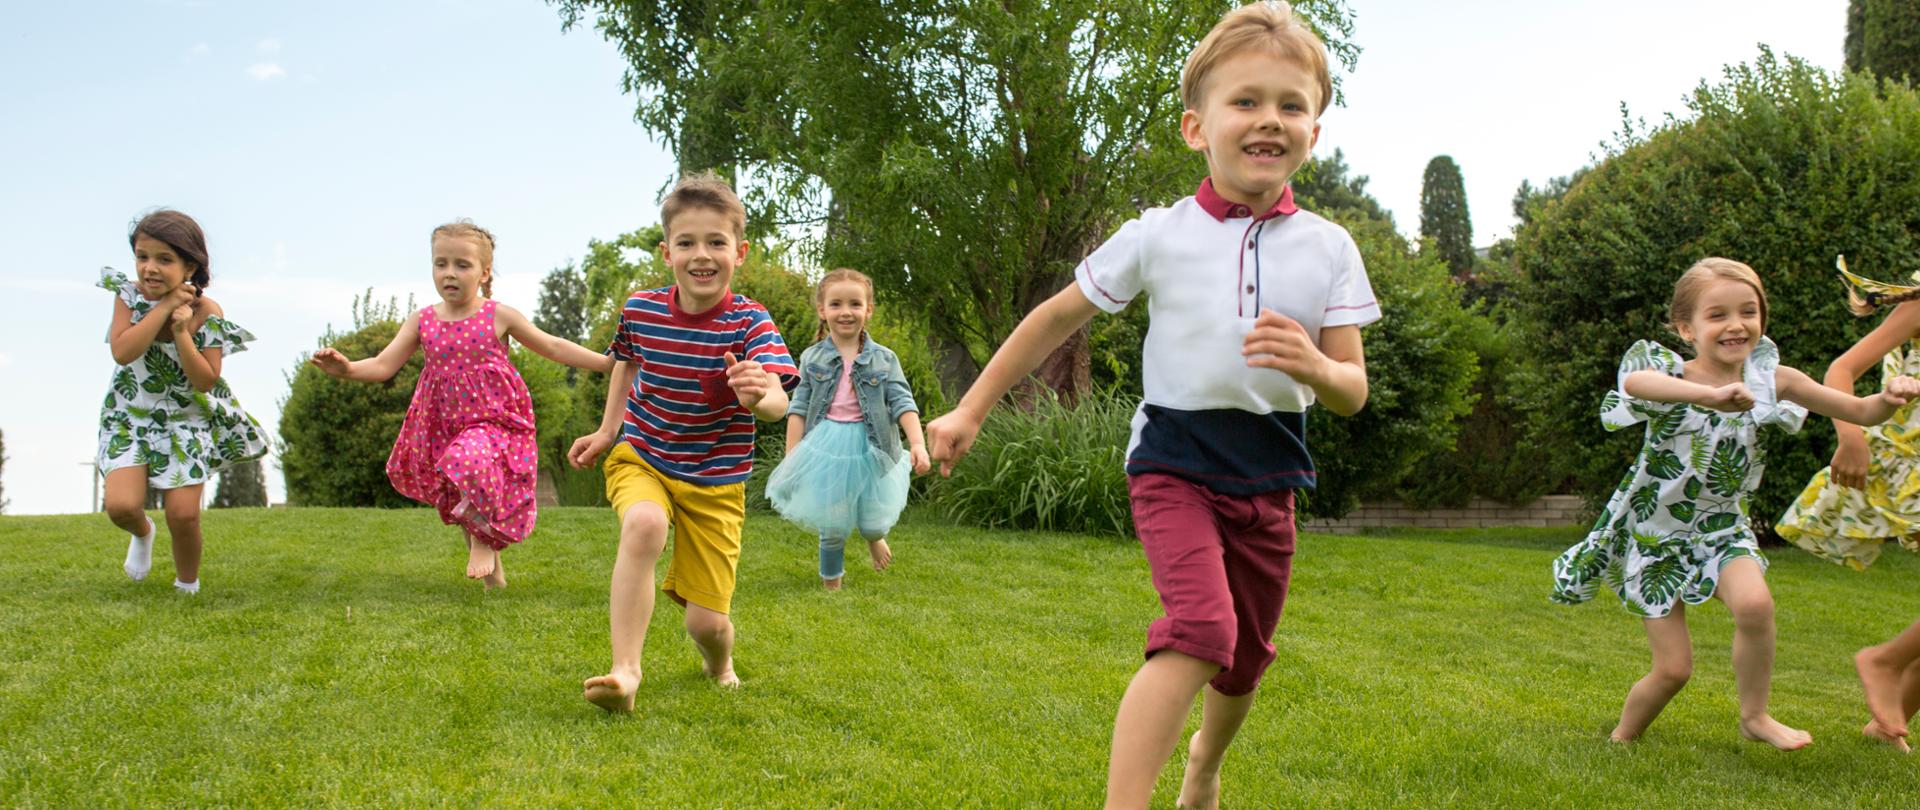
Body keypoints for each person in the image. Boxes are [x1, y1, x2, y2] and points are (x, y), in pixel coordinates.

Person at [926, 4, 1378, 806]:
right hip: (1174, 460)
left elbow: (1351, 390)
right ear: (1195, 128)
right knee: (1203, 631)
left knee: (1242, 660)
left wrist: (1313, 362)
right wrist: (970, 411)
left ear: (1316, 128)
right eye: (1246, 101)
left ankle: (1203, 767)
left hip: (1269, 470)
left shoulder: (1329, 247)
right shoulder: (1157, 234)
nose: (1269, 119)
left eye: (1291, 104)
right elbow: (1055, 318)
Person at [1551, 257, 1920, 749]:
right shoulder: (1669, 374)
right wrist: (1708, 396)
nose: (1736, 324)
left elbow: (1858, 410)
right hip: (1653, 534)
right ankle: (1623, 738)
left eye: (1748, 311)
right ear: (1687, 326)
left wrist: (1892, 397)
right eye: (1717, 315)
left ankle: (1755, 716)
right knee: (1674, 669)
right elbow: (1637, 386)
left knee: (1755, 604)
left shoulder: (1775, 380)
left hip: (1721, 530)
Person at [568, 172, 798, 711]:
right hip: (643, 454)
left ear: (739, 252)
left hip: (715, 482)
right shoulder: (641, 309)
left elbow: (780, 403)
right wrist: (608, 431)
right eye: (687, 242)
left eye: (716, 242)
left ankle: (719, 662)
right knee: (644, 524)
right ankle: (626, 672)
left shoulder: (750, 322)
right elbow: (625, 363)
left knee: (707, 622)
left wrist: (756, 394)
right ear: (665, 249)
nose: (702, 254)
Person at [310, 220, 611, 588]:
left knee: (469, 459)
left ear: (484, 273)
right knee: (459, 488)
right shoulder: (422, 321)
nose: (449, 273)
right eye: (441, 264)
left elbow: (553, 346)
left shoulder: (498, 315)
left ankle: (485, 542)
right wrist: (346, 369)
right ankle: (494, 583)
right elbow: (383, 365)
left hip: (496, 419)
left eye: (462, 265)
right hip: (444, 424)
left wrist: (607, 362)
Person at [1775, 256, 1920, 751]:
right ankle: (1883, 661)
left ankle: (1885, 726)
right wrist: (1851, 437)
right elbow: (1842, 369)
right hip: (1907, 461)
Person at [99, 209, 271, 595]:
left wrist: (180, 330)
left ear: (190, 265)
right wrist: (161, 307)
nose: (150, 268)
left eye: (164, 259)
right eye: (143, 257)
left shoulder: (208, 312)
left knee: (184, 514)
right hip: (131, 416)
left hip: (186, 419)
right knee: (122, 507)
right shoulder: (127, 296)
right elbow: (123, 352)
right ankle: (143, 533)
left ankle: (186, 586)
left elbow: (204, 380)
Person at [766, 268, 930, 589]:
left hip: (873, 445)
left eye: (855, 304)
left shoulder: (884, 358)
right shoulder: (812, 357)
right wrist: (792, 459)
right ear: (822, 310)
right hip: (827, 447)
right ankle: (832, 585)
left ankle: (874, 537)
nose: (845, 312)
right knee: (833, 522)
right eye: (836, 304)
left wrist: (919, 444)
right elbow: (798, 409)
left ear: (868, 310)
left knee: (871, 517)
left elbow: (902, 403)